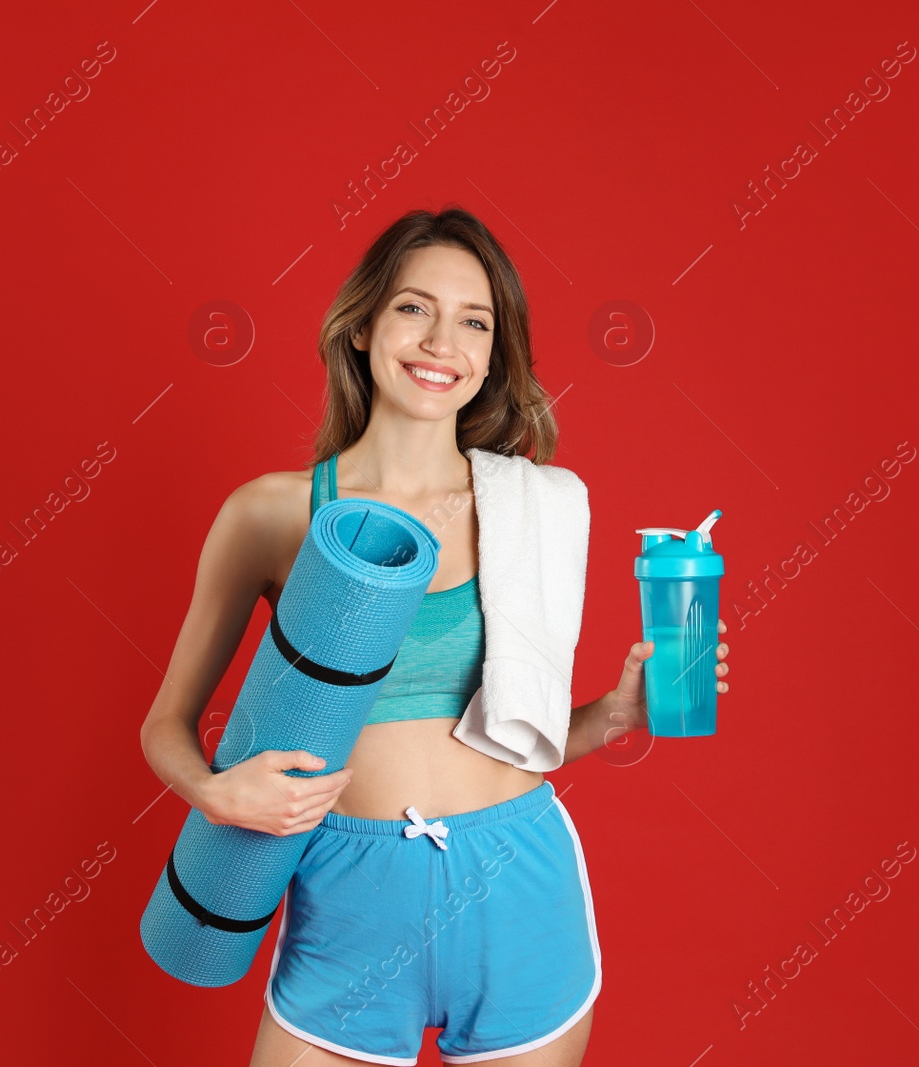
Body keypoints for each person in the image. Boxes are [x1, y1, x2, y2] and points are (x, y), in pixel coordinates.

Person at [140, 207, 730, 1066]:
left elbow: (522, 739)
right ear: (364, 325)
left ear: (494, 354)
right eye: (415, 307)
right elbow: (165, 724)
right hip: (347, 896)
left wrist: (613, 713)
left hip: (517, 889)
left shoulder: (532, 509)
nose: (441, 340)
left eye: (475, 320)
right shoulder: (270, 514)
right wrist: (217, 793)